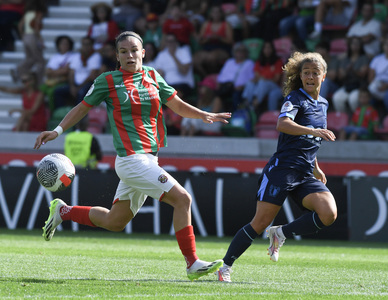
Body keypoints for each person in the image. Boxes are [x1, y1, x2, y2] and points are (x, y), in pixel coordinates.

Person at [33, 31, 231, 281]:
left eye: (134, 50)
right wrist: (57, 130)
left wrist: (203, 114)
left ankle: (64, 212)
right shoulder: (108, 81)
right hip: (131, 160)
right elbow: (82, 107)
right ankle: (192, 263)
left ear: (143, 52)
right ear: (117, 56)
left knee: (115, 222)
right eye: (123, 51)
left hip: (150, 159)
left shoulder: (152, 76)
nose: (130, 55)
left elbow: (176, 104)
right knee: (183, 199)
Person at [215, 51, 337, 282]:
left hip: (304, 172)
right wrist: (312, 131)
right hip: (282, 171)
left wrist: (316, 167)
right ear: (300, 76)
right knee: (259, 223)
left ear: (324, 75)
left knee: (328, 214)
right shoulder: (295, 99)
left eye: (315, 73)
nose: (310, 77)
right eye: (306, 73)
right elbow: (283, 124)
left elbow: (312, 141)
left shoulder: (323, 103)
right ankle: (225, 266)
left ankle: (280, 233)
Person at [53, 36, 102, 109]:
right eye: (84, 44)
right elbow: (71, 73)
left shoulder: (95, 56)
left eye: (88, 44)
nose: (86, 47)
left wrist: (79, 87)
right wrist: (72, 86)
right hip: (75, 84)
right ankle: (61, 114)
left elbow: (91, 75)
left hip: (88, 84)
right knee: (58, 91)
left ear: (92, 45)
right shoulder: (76, 56)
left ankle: (78, 117)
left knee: (81, 92)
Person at [241, 40, 284, 113]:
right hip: (260, 86)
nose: (267, 50)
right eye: (265, 48)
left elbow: (276, 79)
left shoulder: (278, 61)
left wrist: (264, 79)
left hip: (274, 86)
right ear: (262, 50)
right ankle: (247, 103)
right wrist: (260, 79)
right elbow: (256, 76)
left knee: (263, 82)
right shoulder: (259, 61)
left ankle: (254, 104)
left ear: (272, 49)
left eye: (269, 48)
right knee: (250, 82)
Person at [193, 5, 234, 77]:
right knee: (195, 59)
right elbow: (201, 41)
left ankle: (215, 76)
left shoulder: (226, 24)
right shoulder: (206, 25)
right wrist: (208, 39)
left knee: (211, 57)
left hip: (222, 48)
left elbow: (230, 41)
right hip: (208, 47)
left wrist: (219, 38)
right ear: (211, 14)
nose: (216, 14)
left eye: (218, 12)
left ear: (221, 14)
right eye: (214, 12)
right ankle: (205, 76)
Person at [11, 0, 46, 85]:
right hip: (33, 37)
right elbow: (37, 27)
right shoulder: (38, 13)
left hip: (26, 36)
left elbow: (20, 25)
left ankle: (18, 70)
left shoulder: (27, 13)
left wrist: (22, 36)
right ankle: (38, 81)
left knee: (30, 58)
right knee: (40, 61)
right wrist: (40, 40)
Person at [331, 37, 369, 113]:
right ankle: (343, 119)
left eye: (357, 44)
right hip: (347, 86)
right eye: (353, 43)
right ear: (350, 45)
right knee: (336, 98)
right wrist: (346, 71)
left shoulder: (364, 58)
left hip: (359, 86)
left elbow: (363, 74)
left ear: (361, 45)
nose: (355, 45)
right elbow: (340, 76)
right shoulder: (345, 59)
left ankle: (356, 118)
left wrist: (353, 70)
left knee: (353, 99)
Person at [153, 33, 195, 100]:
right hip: (169, 85)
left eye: (172, 41)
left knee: (175, 93)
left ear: (176, 42)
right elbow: (158, 73)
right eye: (168, 41)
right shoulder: (161, 55)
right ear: (166, 42)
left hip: (183, 84)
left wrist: (173, 55)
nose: (170, 44)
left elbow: (184, 71)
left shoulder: (184, 51)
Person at [40, 35, 75, 112]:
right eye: (62, 43)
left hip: (63, 81)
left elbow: (66, 71)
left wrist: (54, 72)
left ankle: (54, 112)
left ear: (70, 45)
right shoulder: (55, 57)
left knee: (51, 92)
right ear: (58, 45)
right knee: (40, 89)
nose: (64, 45)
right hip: (53, 81)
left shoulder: (73, 56)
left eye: (66, 44)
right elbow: (47, 72)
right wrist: (60, 71)